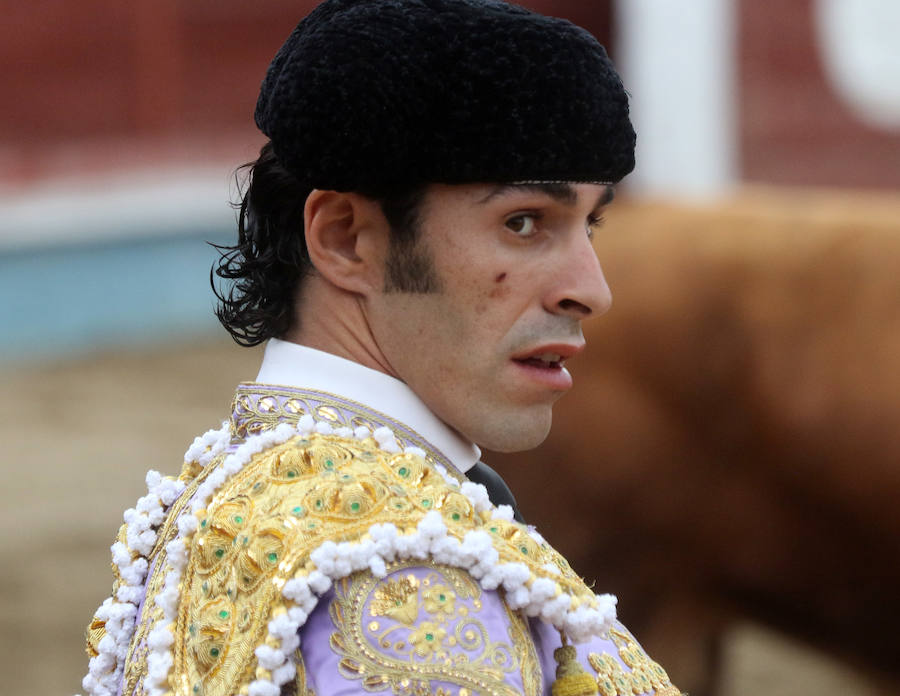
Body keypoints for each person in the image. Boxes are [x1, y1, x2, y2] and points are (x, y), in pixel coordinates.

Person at [81, 1, 682, 695]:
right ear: (347, 239)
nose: (592, 289)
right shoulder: (414, 587)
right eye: (523, 223)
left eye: (590, 225)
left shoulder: (224, 499)